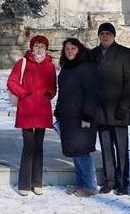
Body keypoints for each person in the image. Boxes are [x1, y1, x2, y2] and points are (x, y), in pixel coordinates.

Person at [6, 34, 57, 197]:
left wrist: (49, 93)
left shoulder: (50, 66)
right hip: (27, 110)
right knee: (28, 147)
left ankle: (37, 182)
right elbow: (11, 82)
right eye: (36, 46)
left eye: (42, 46)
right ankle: (24, 183)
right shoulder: (23, 62)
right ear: (31, 47)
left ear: (46, 48)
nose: (39, 49)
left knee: (39, 147)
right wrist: (24, 93)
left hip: (42, 110)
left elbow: (53, 87)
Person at [89, 22, 130, 195]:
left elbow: (129, 82)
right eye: (102, 33)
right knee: (106, 147)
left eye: (108, 33)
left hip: (118, 109)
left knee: (121, 148)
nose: (105, 36)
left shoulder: (124, 53)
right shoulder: (92, 54)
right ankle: (110, 180)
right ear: (99, 35)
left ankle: (123, 181)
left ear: (114, 36)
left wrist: (124, 106)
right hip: (100, 110)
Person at [55, 38, 98, 197]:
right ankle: (80, 183)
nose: (70, 51)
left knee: (82, 152)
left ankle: (90, 186)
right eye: (67, 49)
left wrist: (87, 115)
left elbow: (91, 92)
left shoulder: (86, 67)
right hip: (67, 118)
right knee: (74, 152)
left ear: (79, 49)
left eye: (73, 48)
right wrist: (58, 111)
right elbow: (63, 92)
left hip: (82, 117)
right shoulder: (66, 68)